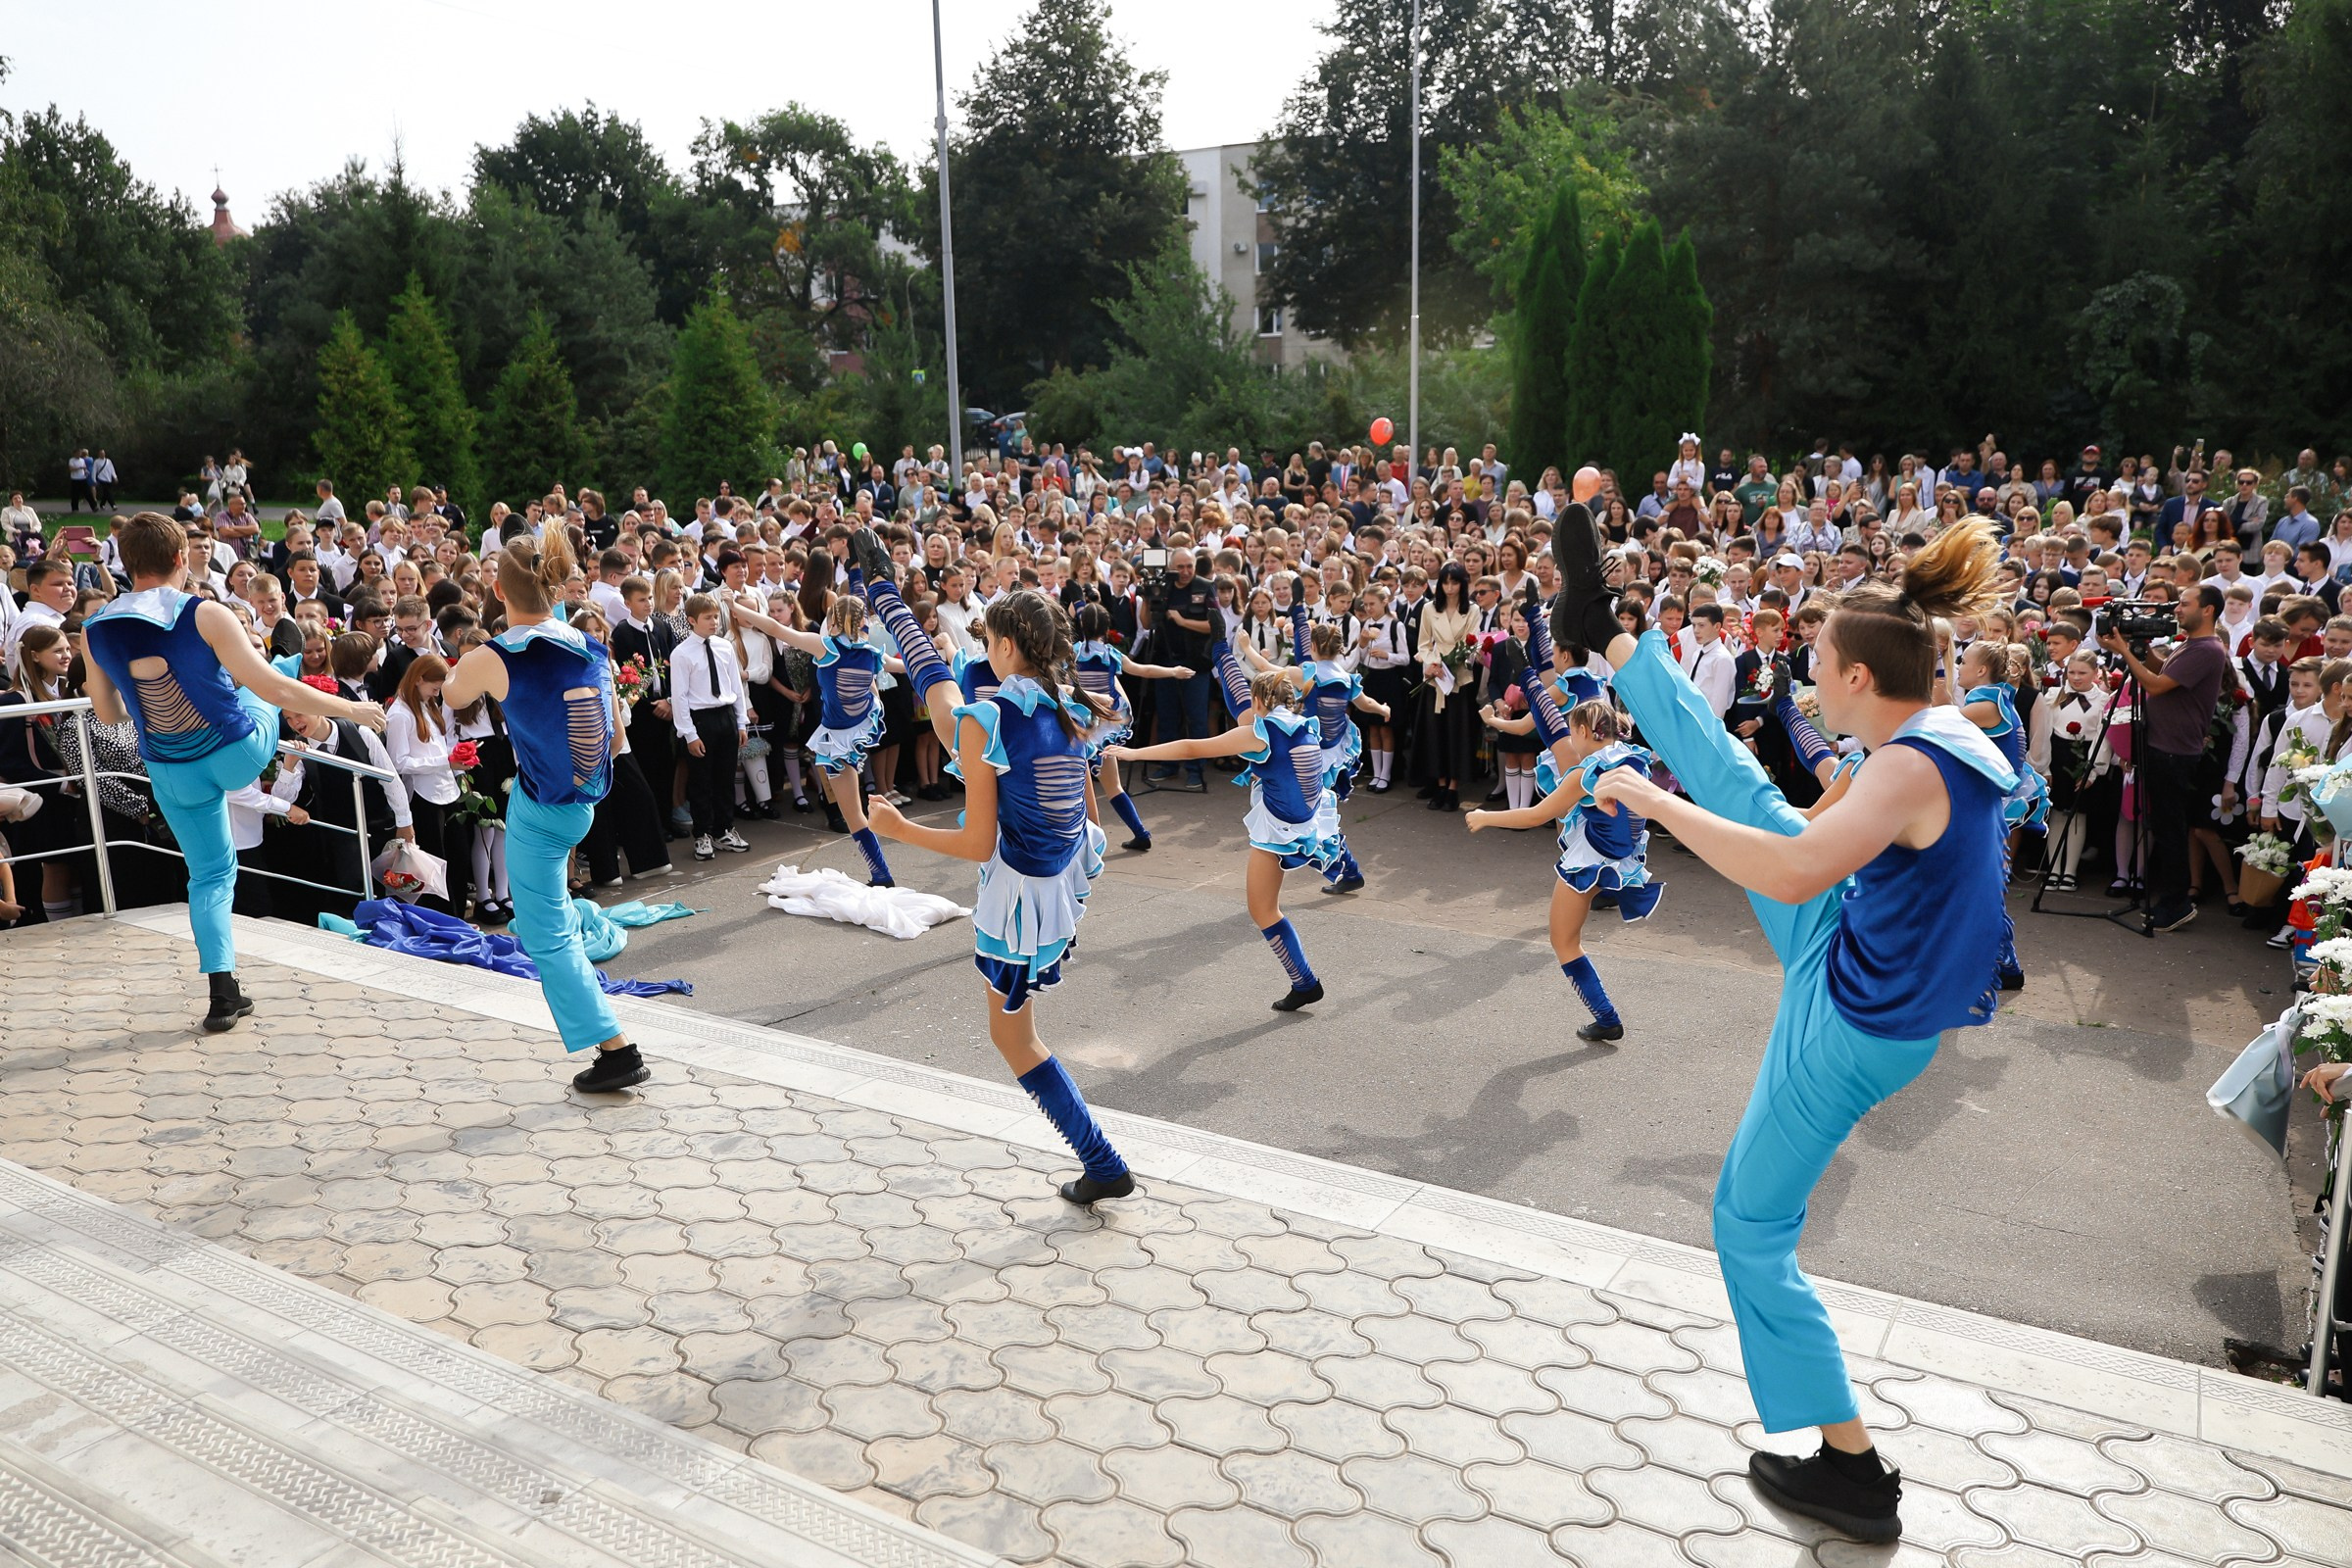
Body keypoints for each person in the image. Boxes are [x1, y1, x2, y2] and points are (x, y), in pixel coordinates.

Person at [1552, 502, 2018, 1544]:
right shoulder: (1942, 733)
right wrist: (1693, 788)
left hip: (1849, 1017)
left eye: (1815, 659)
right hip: (1855, 953)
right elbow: (1813, 840)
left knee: (1748, 1228)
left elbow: (1799, 863)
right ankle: (1608, 633)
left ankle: (1855, 1473)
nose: (1805, 675)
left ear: (1859, 677)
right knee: (1735, 775)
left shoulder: (1903, 763)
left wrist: (1652, 804)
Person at [852, 536, 1134, 1206]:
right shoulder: (1068, 707)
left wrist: (897, 828)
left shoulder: (992, 718)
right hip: (1056, 879)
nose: (981, 652)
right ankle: (1100, 1162)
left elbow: (978, 842)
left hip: (1022, 891)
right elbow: (940, 684)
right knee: (1015, 1032)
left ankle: (1103, 1161)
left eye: (988, 642)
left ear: (1006, 647)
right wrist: (890, 593)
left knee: (1014, 1036)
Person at [77, 512, 387, 1032]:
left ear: (126, 563)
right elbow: (277, 695)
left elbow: (108, 715)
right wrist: (353, 710)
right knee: (263, 687)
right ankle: (288, 659)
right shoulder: (206, 613)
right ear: (181, 559)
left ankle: (222, 991)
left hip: (171, 767)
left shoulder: (94, 629)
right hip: (235, 752)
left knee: (211, 876)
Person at [438, 524, 652, 1094]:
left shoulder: (495, 653)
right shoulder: (589, 642)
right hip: (585, 799)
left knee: (546, 934)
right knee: (549, 922)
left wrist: (464, 658)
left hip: (540, 808)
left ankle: (616, 1048)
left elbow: (454, 694)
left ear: (499, 594)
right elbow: (612, 727)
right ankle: (611, 1043)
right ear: (553, 588)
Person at [1110, 619, 1348, 1012]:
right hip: (1306, 821)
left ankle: (1305, 981)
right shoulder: (1303, 724)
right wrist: (1225, 654)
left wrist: (1134, 753)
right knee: (1266, 908)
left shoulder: (1260, 731)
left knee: (1262, 909)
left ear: (1259, 703)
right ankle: (1303, 980)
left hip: (1279, 829)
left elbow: (1191, 748)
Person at [1466, 698, 1662, 1040]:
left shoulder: (1586, 773)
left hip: (1592, 860)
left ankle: (1606, 1018)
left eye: (1573, 734)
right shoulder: (1636, 759)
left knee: (1564, 941)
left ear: (1585, 731)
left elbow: (1534, 815)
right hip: (1623, 857)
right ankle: (1605, 1017)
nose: (1571, 743)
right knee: (1567, 937)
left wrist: (1485, 817)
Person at [2099, 582, 2230, 933]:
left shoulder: (2206, 649)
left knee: (2170, 830)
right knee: (2163, 825)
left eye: (2184, 604)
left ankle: (2177, 903)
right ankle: (2170, 900)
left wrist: (2125, 652)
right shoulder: (2192, 646)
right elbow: (2162, 673)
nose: (2176, 609)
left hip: (2174, 750)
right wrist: (2139, 650)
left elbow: (2155, 686)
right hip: (2164, 745)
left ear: (2208, 610)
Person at [1068, 603, 1192, 853]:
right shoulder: (1111, 654)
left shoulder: (1072, 653)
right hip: (1103, 727)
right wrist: (1173, 671)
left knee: (1074, 787)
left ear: (1081, 626)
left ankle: (1085, 845)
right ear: (1106, 629)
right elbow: (1141, 669)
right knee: (1112, 786)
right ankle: (1139, 832)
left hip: (1078, 724)